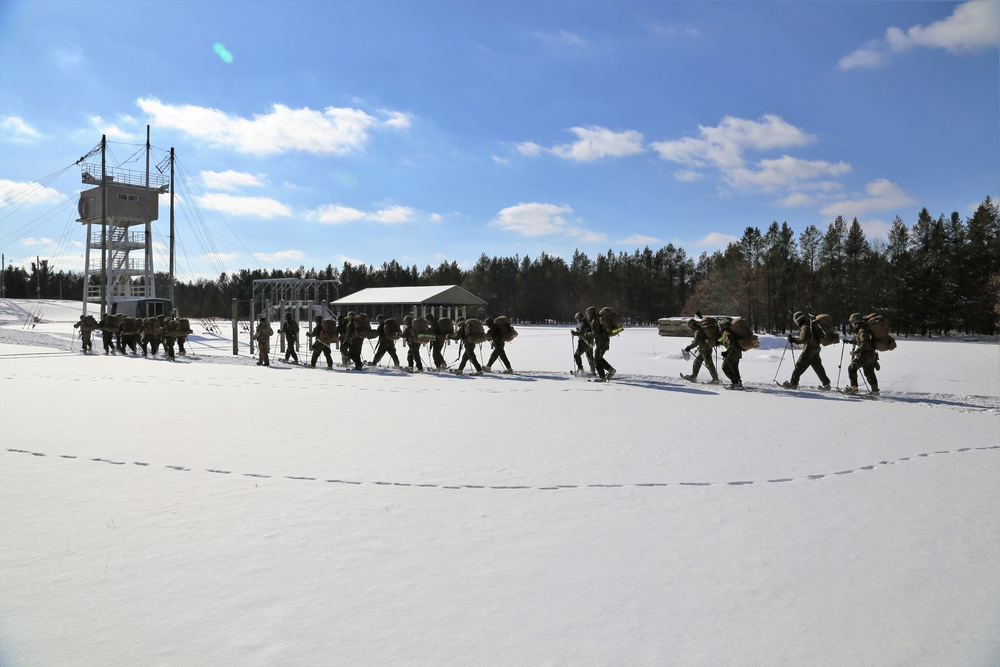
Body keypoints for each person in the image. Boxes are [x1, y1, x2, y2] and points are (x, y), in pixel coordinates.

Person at [783, 311, 831, 390]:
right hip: (816, 348)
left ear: (799, 320)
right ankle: (826, 384)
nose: (796, 323)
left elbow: (803, 339)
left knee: (799, 366)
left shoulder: (805, 326)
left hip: (809, 349)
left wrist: (793, 340)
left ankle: (793, 383)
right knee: (818, 367)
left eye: (796, 321)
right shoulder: (811, 324)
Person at [844, 312, 880, 396]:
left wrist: (856, 352)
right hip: (871, 354)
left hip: (865, 354)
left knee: (852, 367)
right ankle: (875, 391)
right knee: (869, 373)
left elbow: (864, 343)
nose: (852, 325)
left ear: (857, 322)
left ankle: (854, 388)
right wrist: (849, 341)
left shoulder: (862, 330)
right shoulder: (863, 329)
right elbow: (859, 341)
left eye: (852, 323)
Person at [681, 318, 720, 384]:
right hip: (704, 348)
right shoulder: (700, 329)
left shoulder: (697, 331)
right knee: (697, 362)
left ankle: (715, 379)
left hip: (705, 349)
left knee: (709, 364)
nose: (690, 328)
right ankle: (694, 376)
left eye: (690, 326)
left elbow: (696, 342)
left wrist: (689, 347)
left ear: (692, 325)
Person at [587, 306, 615, 382]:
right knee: (598, 358)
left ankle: (602, 377)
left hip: (601, 342)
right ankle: (610, 370)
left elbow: (595, 333)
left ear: (591, 313)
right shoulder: (598, 319)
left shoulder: (595, 321)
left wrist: (589, 335)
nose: (588, 316)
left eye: (588, 314)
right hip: (604, 342)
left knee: (597, 359)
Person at [719, 319, 743, 389]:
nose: (720, 327)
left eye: (720, 326)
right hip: (736, 352)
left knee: (725, 367)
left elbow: (731, 344)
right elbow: (723, 339)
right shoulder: (729, 332)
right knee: (734, 368)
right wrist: (718, 341)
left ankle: (735, 382)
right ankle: (738, 383)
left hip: (733, 353)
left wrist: (727, 352)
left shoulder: (728, 333)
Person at [571, 311, 595, 375]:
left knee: (576, 355)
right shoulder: (587, 322)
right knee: (590, 356)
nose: (576, 320)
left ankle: (580, 370)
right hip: (590, 342)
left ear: (580, 317)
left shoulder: (583, 323)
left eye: (577, 318)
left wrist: (574, 333)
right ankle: (593, 370)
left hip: (584, 342)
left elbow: (581, 333)